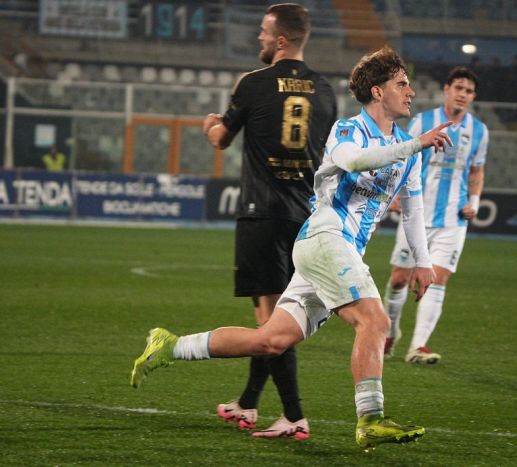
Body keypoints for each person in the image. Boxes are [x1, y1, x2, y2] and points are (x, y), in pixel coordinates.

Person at [132, 46, 454, 448]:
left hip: (335, 251)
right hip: (325, 239)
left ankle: (171, 346)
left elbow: (413, 209)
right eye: (401, 84)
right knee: (375, 321)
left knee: (270, 340)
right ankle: (370, 418)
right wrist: (416, 144)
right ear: (377, 91)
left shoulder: (408, 148)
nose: (410, 92)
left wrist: (423, 262)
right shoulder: (348, 131)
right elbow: (355, 162)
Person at [199, 3, 337, 439]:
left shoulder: (253, 83)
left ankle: (294, 416)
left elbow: (222, 139)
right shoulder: (326, 91)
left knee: (269, 324)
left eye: (263, 31)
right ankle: (247, 403)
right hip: (306, 218)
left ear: (280, 39)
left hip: (263, 213)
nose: (258, 37)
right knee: (278, 318)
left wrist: (209, 125)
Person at [382, 66, 489, 364]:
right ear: (446, 90)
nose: (463, 94)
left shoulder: (479, 131)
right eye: (458, 88)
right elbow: (402, 156)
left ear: (473, 96)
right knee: (399, 279)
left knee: (437, 279)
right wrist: (394, 194)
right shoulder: (423, 121)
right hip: (416, 214)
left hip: (453, 219)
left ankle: (418, 346)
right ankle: (389, 332)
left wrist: (474, 201)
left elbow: (477, 170)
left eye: (469, 91)